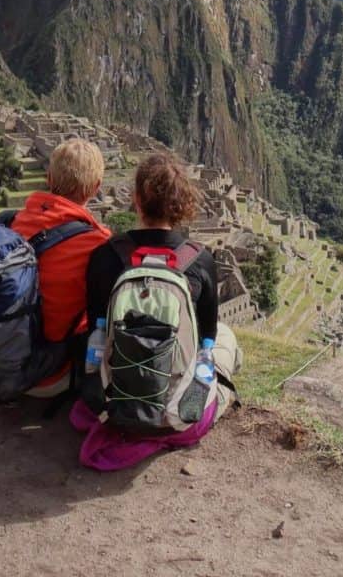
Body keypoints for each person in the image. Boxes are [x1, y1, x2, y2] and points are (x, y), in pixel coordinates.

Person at [71, 152, 242, 470]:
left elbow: (97, 329)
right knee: (223, 340)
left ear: (136, 199)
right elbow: (206, 339)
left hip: (112, 407)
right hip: (177, 413)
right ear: (181, 204)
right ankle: (211, 398)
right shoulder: (199, 259)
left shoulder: (105, 257)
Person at [6, 138, 111, 398]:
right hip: (52, 375)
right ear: (96, 187)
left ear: (48, 177)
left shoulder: (13, 223)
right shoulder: (99, 244)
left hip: (5, 362)